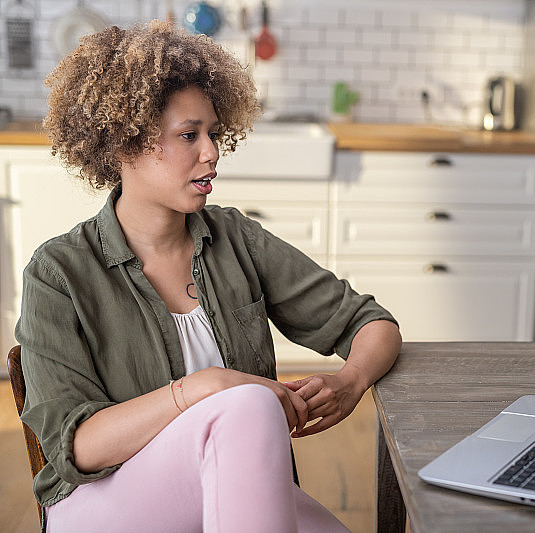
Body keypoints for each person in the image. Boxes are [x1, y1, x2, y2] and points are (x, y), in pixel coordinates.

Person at [15, 21, 401, 533]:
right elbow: (78, 445)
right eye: (189, 135)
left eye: (214, 133)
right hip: (103, 502)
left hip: (231, 493)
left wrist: (351, 381)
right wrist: (206, 387)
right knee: (244, 405)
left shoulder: (235, 239)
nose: (212, 153)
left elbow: (372, 323)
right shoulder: (58, 273)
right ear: (124, 144)